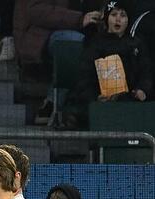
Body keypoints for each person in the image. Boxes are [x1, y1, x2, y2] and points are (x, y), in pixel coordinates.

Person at [60, 1, 152, 129]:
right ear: (107, 18)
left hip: (129, 100)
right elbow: (84, 77)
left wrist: (142, 90)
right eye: (114, 14)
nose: (118, 19)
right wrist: (96, 96)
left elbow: (146, 72)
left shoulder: (137, 45)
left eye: (123, 15)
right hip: (100, 101)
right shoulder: (95, 44)